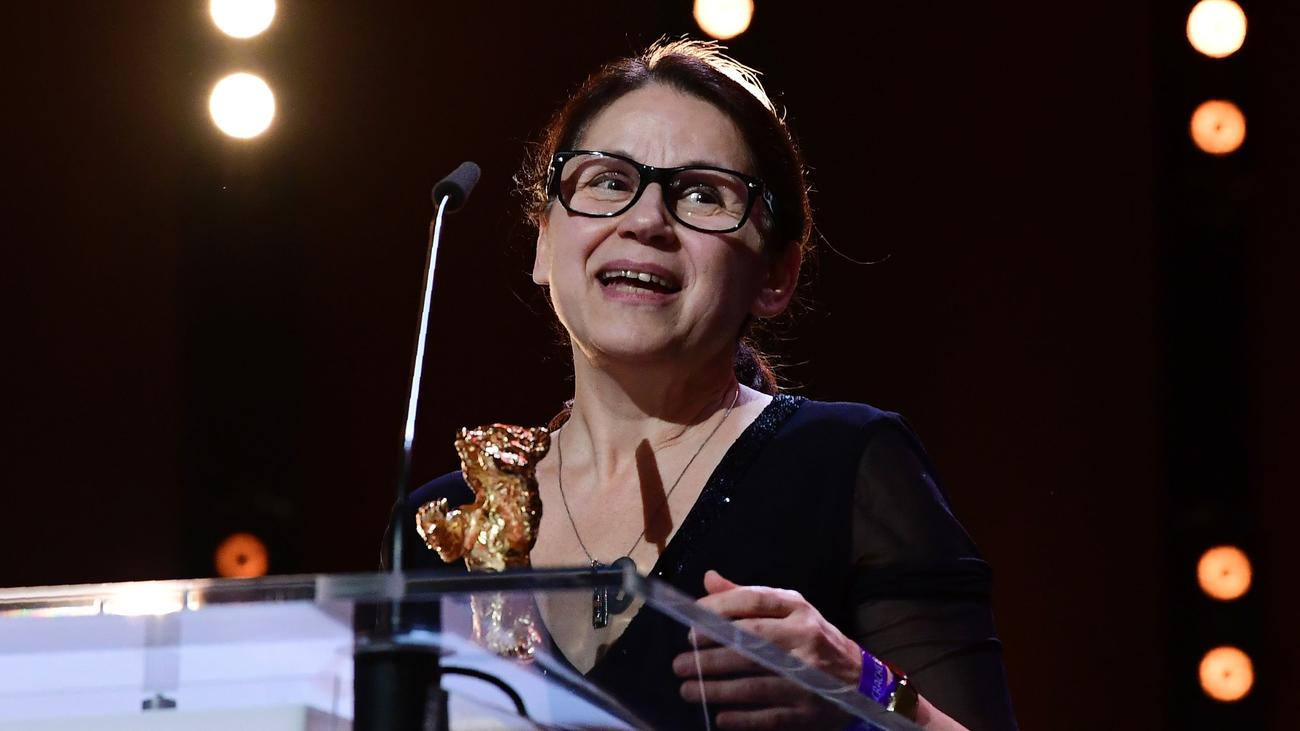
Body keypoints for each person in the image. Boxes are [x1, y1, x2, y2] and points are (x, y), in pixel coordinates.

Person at [401, 38, 1018, 731]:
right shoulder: (447, 520)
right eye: (608, 181)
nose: (645, 221)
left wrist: (862, 688)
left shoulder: (848, 465)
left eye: (702, 194)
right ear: (545, 242)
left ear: (776, 275)